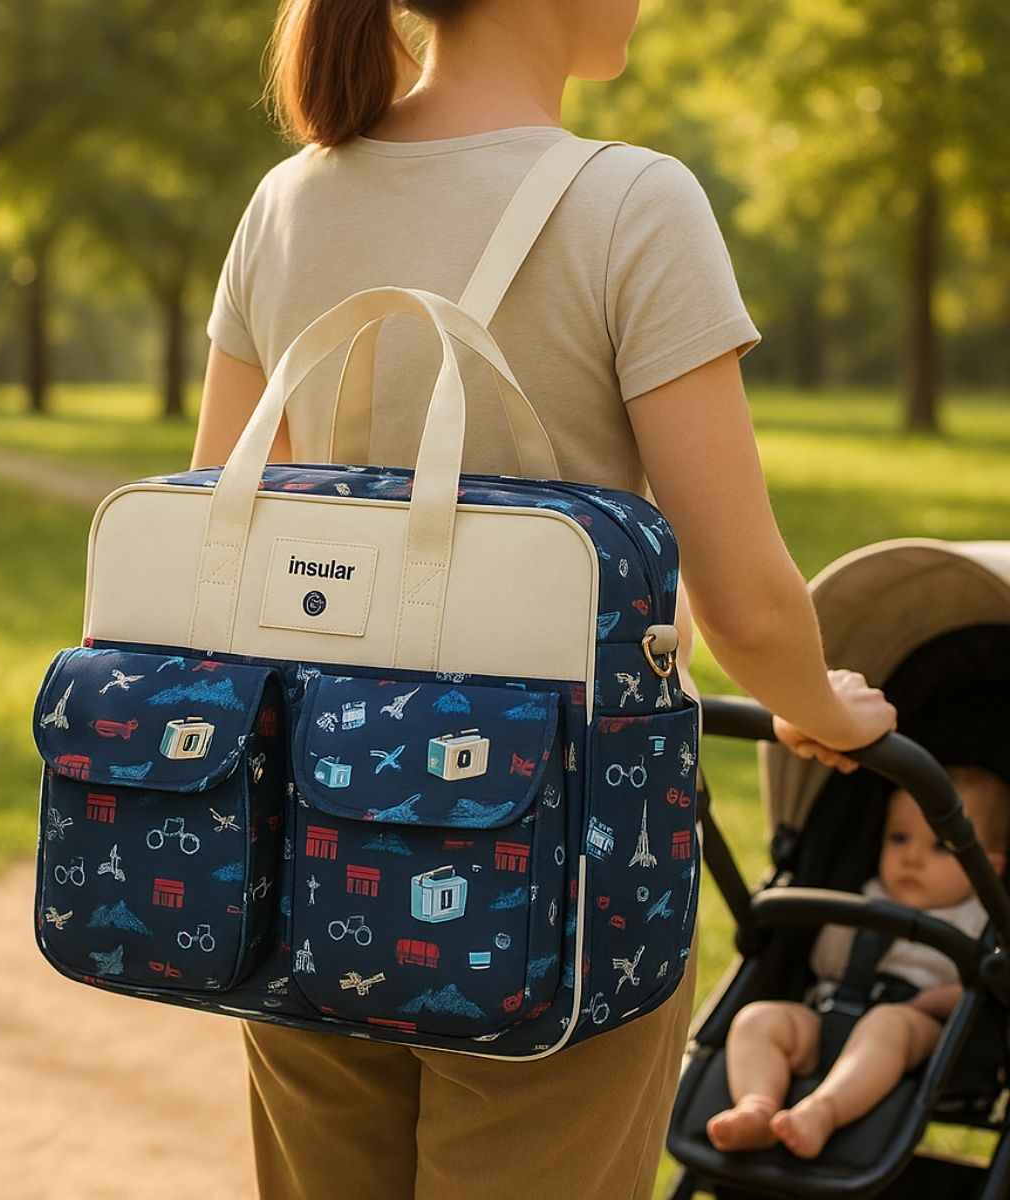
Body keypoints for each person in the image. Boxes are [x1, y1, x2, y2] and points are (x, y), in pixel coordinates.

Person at [191, 2, 897, 1196]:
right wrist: (823, 708)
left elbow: (224, 533)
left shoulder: (288, 203)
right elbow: (747, 604)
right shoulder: (632, 204)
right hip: (551, 858)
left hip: (307, 840)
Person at [707, 766, 1010, 1160]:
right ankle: (758, 1106)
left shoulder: (982, 919)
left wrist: (929, 1003)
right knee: (758, 1019)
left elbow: (983, 995)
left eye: (940, 847)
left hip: (918, 1033)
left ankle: (822, 1112)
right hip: (832, 1011)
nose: (912, 857)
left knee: (888, 1024)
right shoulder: (867, 895)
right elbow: (824, 963)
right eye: (898, 838)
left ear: (990, 866)